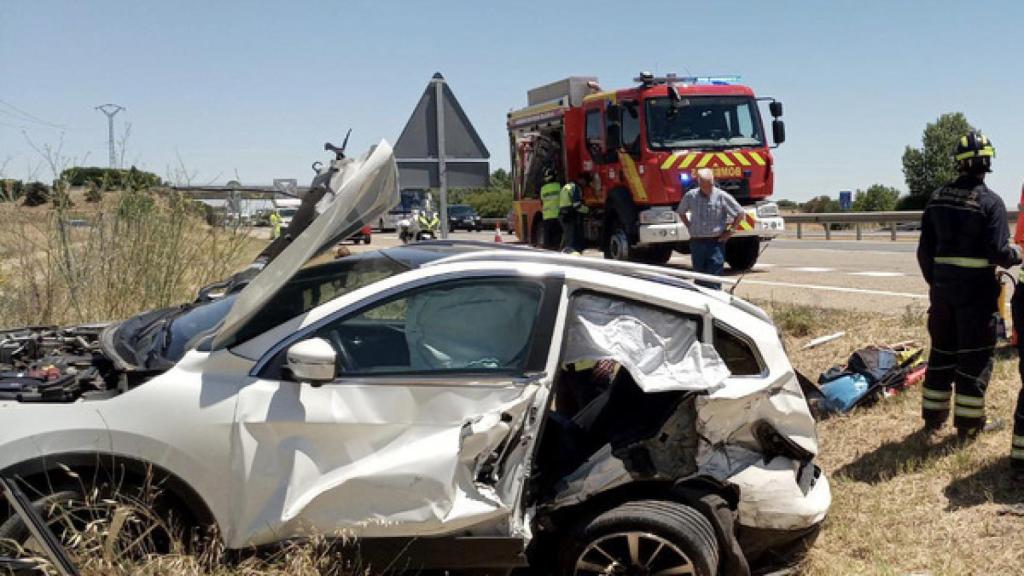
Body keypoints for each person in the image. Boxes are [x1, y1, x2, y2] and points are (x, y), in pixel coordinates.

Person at [917, 131, 1021, 442]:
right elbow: (998, 252)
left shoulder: (937, 199)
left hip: (943, 294)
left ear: (958, 163)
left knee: (941, 354)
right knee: (974, 359)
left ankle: (933, 420)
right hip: (976, 297)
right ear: (987, 162)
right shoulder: (990, 203)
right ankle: (969, 426)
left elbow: (924, 252)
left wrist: (937, 283)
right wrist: (1015, 255)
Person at [677, 168, 744, 289]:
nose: (708, 188)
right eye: (705, 185)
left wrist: (731, 231)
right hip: (697, 241)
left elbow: (740, 213)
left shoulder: (721, 196)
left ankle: (715, 301)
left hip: (715, 242)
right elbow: (681, 212)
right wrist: (689, 226)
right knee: (700, 276)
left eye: (710, 185)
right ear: (699, 183)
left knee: (714, 275)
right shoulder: (690, 196)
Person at [559, 173, 590, 253]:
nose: (585, 184)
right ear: (582, 180)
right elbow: (577, 206)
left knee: (566, 234)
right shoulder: (576, 187)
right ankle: (568, 252)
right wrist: (588, 210)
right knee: (571, 235)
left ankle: (561, 250)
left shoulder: (568, 186)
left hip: (562, 213)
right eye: (586, 182)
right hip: (569, 213)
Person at [539, 168, 563, 250]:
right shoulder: (559, 186)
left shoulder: (543, 189)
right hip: (557, 216)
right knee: (557, 238)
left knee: (547, 239)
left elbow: (542, 202)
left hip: (546, 217)